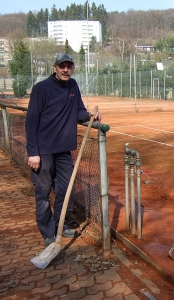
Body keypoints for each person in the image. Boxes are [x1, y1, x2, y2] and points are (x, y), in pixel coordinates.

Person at [25, 53, 101, 247]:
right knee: (42, 193)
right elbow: (31, 121)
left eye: (69, 66)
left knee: (66, 190)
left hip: (64, 150)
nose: (66, 70)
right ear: (55, 67)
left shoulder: (73, 86)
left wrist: (89, 113)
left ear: (73, 68)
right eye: (62, 66)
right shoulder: (41, 89)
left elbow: (78, 112)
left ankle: (60, 225)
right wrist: (33, 151)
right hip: (43, 151)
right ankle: (48, 232)